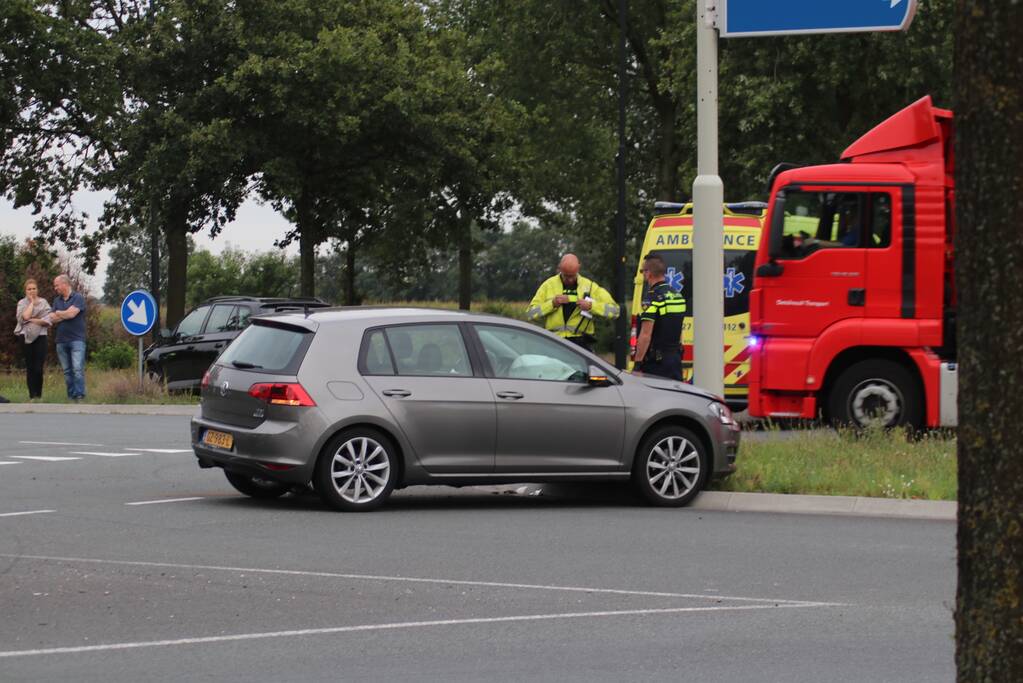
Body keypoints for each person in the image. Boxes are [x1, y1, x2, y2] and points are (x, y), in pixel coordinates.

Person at [526, 254, 619, 352]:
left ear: (579, 268)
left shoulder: (590, 287)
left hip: (581, 343)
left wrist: (591, 306)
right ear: (559, 269)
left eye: (572, 276)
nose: (570, 280)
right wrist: (552, 304)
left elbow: (615, 311)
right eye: (566, 276)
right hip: (555, 341)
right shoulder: (548, 285)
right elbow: (530, 313)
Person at [633, 253, 685, 380]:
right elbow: (679, 329)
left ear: (648, 273)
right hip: (675, 359)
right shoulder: (678, 295)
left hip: (656, 363)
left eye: (642, 271)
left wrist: (637, 364)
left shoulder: (652, 297)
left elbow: (645, 334)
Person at [47, 274, 87, 401]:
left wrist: (60, 313)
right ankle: (71, 395)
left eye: (57, 285)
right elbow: (52, 318)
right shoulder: (56, 301)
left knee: (77, 369)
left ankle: (80, 394)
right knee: (67, 371)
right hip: (61, 341)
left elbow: (72, 314)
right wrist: (64, 313)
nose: (55, 288)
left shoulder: (78, 297)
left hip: (77, 340)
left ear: (65, 284)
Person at [14, 278, 52, 400]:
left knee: (38, 367)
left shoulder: (44, 302)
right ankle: (32, 396)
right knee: (30, 367)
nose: (32, 291)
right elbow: (24, 317)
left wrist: (32, 319)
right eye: (29, 289)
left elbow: (48, 320)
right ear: (25, 290)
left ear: (37, 289)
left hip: (41, 337)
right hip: (25, 337)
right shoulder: (21, 303)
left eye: (34, 288)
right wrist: (31, 303)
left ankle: (38, 396)